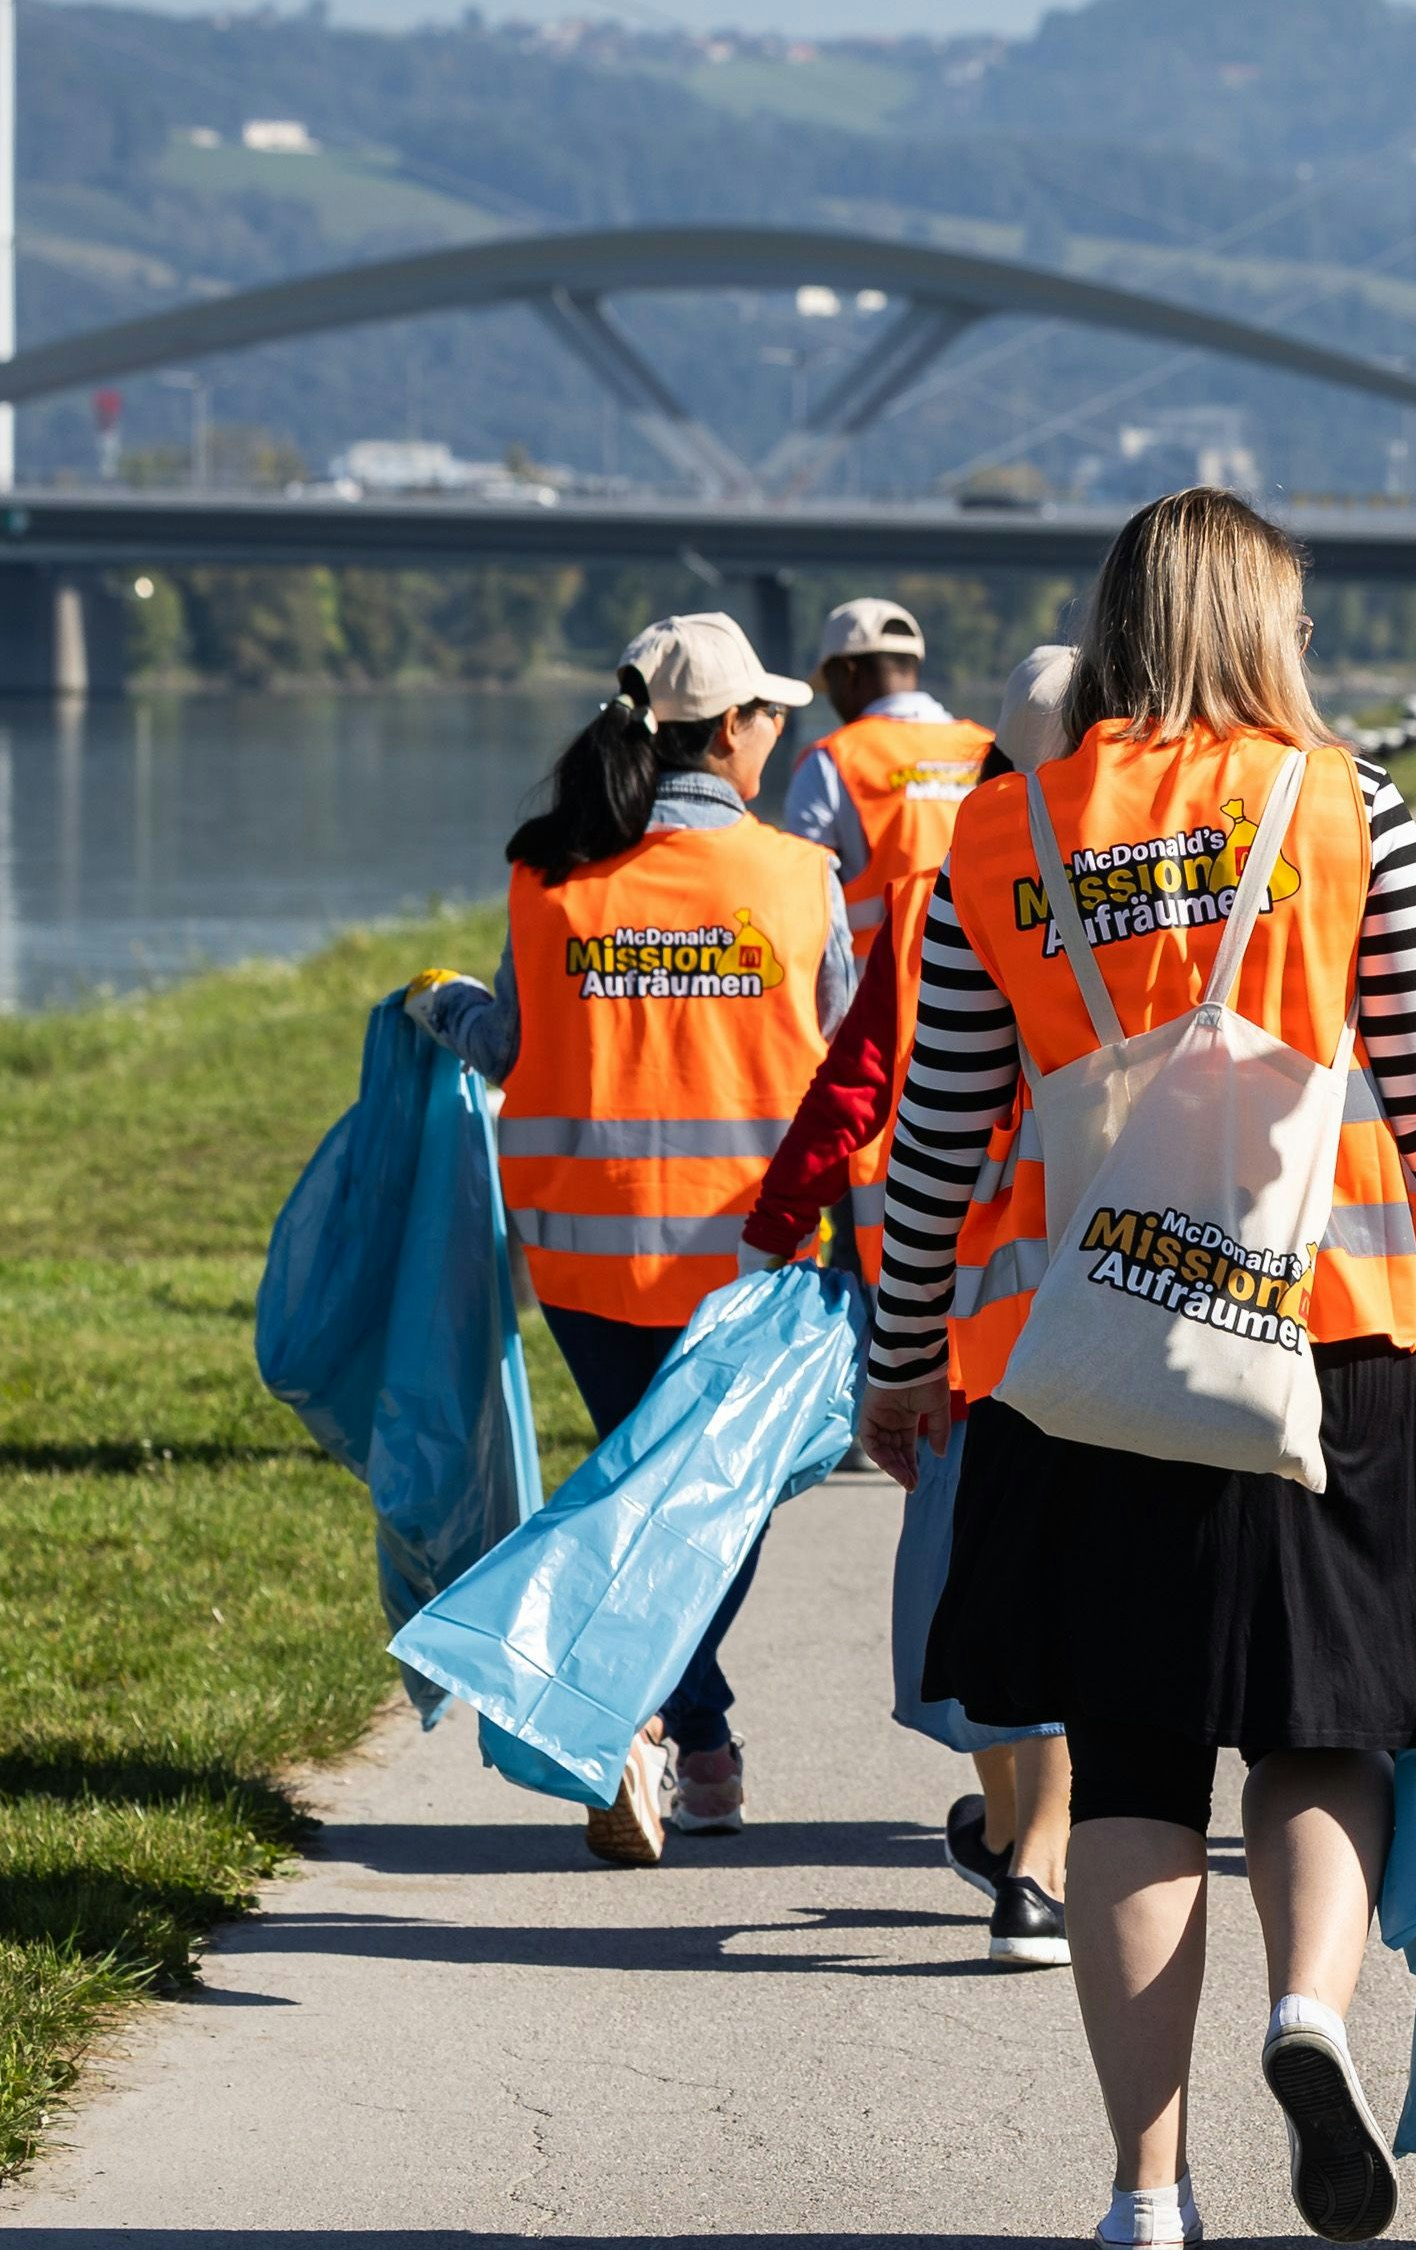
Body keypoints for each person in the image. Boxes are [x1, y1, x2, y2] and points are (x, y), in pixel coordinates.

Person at [853, 489, 1416, 2248]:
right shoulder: (1345, 811)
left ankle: (1143, 2190)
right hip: (1328, 1352)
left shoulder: (1000, 827)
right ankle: (1310, 2012)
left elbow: (938, 1137)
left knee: (1129, 1769)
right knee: (1325, 1738)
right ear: (1263, 626)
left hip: (1092, 1367)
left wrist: (899, 1365)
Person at [401, 613, 853, 1869]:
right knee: (713, 1507)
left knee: (639, 1487)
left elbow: (518, 1051)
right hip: (752, 1266)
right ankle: (653, 1725)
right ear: (732, 731)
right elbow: (849, 1072)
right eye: (771, 715)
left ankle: (688, 1744)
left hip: (587, 1257)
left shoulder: (547, 877)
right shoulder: (797, 878)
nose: (780, 733)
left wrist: (448, 1009)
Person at [739, 645, 1081, 1971]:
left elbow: (871, 1083)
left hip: (968, 1306)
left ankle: (1019, 1849)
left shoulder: (955, 888)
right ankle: (1037, 1862)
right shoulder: (1178, 888)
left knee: (982, 1573)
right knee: (1085, 1581)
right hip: (1138, 1291)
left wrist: (796, 1242)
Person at [779, 595, 997, 949]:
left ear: (845, 674)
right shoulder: (990, 749)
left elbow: (800, 897)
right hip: (981, 986)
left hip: (877, 992)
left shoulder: (831, 759)